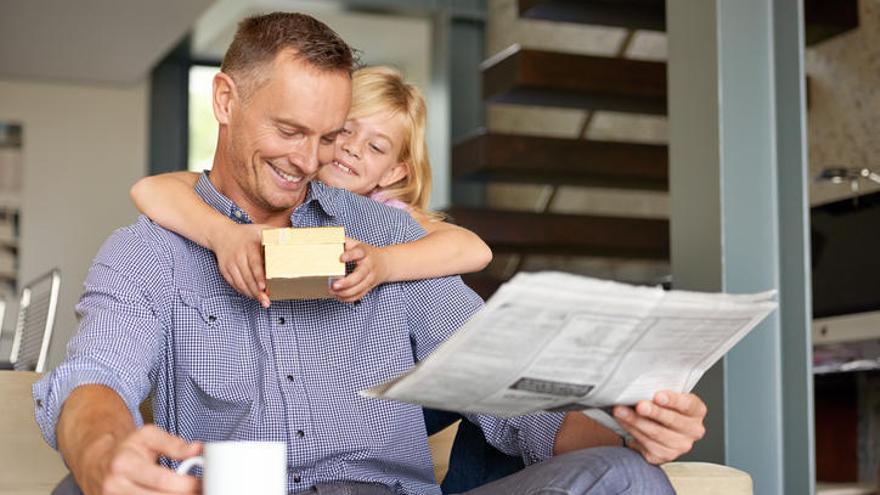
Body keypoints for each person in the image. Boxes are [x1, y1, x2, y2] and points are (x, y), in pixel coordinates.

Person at [35, 12, 705, 495]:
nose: (307, 161)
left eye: (327, 137)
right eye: (290, 130)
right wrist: (103, 452)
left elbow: (513, 405)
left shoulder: (389, 240)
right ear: (225, 99)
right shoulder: (152, 249)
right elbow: (97, 376)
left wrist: (626, 428)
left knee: (624, 475)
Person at [128, 66, 492, 307]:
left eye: (376, 147)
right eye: (344, 131)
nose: (352, 148)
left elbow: (474, 248)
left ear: (393, 172)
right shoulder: (282, 183)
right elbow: (149, 190)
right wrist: (223, 234)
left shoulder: (389, 216)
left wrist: (384, 263)